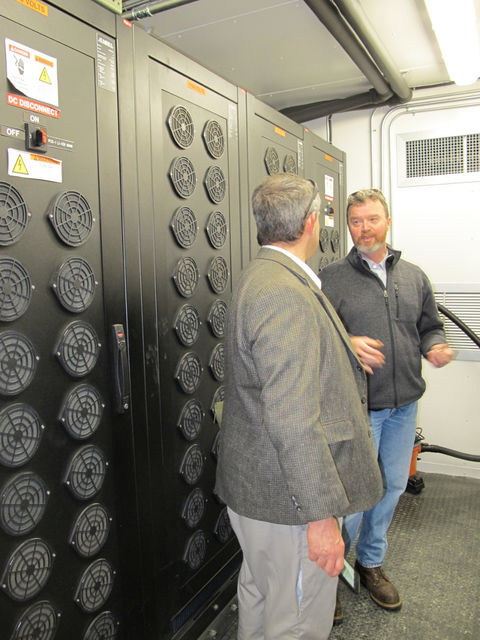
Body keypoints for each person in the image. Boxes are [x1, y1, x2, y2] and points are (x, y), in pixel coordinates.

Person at [214, 174, 383, 640]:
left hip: (262, 492)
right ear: (311, 223)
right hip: (289, 503)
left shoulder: (263, 276)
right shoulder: (284, 293)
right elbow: (293, 421)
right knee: (297, 620)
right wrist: (320, 517)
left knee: (262, 596)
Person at [320, 188, 453, 616]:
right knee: (353, 495)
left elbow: (430, 326)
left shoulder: (413, 276)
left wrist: (434, 346)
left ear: (387, 221)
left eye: (372, 219)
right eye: (356, 221)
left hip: (404, 405)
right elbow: (316, 337)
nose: (364, 229)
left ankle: (371, 562)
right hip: (358, 407)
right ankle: (330, 577)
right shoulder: (331, 278)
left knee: (392, 486)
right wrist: (348, 341)